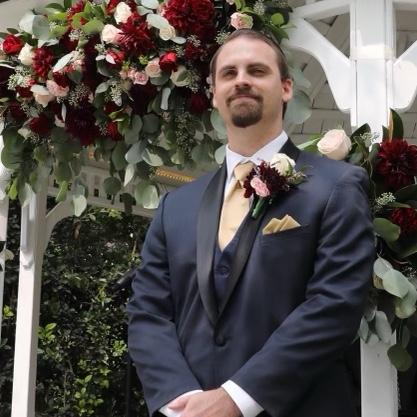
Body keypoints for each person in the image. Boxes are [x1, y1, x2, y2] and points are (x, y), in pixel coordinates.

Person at [127, 29, 375, 417]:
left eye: (257, 71)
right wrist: (182, 402)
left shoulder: (337, 185)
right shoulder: (176, 206)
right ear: (214, 94)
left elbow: (335, 304)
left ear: (286, 88)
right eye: (229, 73)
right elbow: (148, 312)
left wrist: (236, 398)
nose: (241, 80)